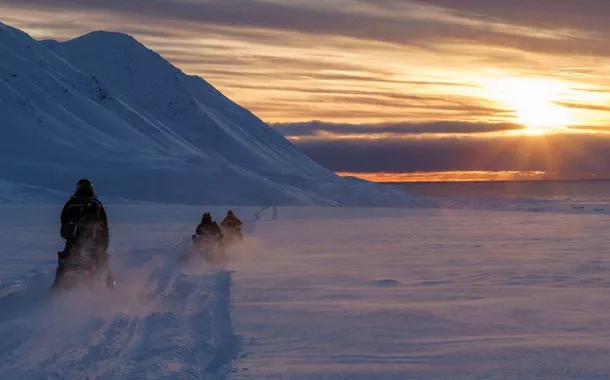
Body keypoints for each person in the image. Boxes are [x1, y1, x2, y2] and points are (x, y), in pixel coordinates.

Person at [51, 179, 113, 289]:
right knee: (65, 259)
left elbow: (63, 222)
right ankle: (110, 287)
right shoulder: (90, 204)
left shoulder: (79, 204)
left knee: (101, 260)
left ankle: (109, 286)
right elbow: (104, 226)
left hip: (85, 241)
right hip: (79, 241)